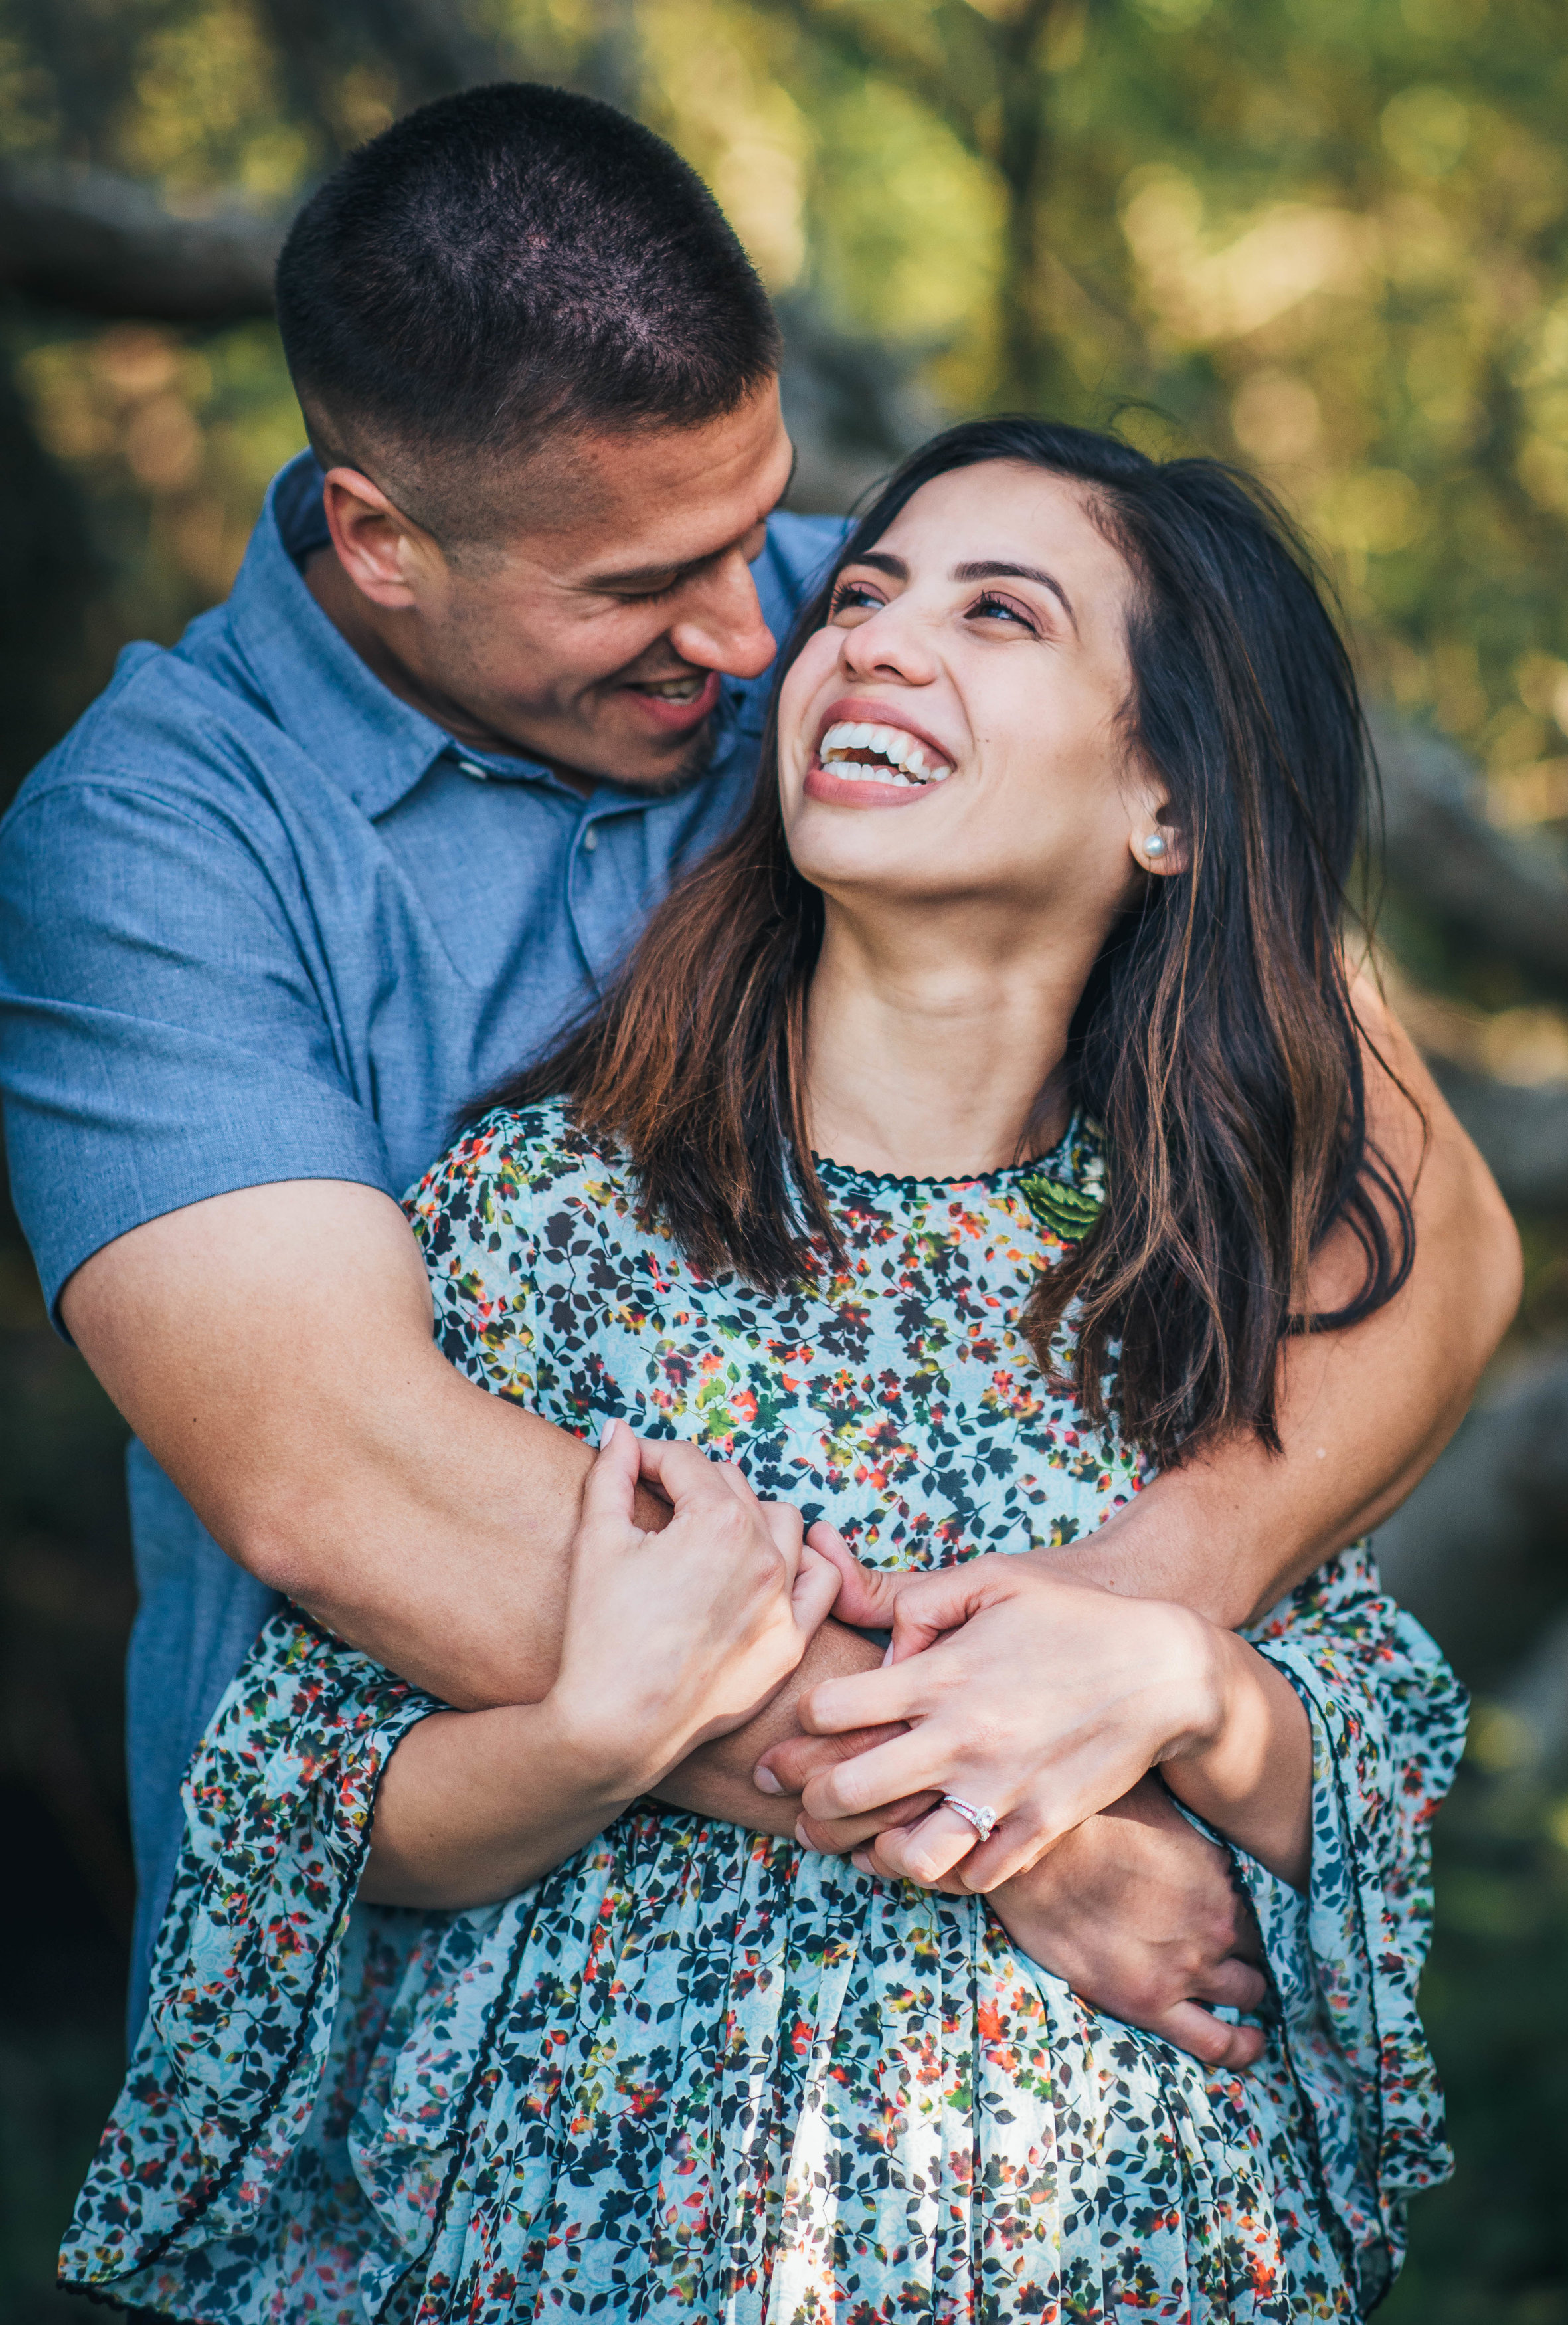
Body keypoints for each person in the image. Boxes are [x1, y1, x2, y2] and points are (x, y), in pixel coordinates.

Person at [0, 84, 1512, 2075]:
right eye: (638, 587)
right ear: (378, 537)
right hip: (437, 2045)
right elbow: (346, 1481)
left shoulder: (878, 643)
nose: (752, 627)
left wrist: (1119, 1626)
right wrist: (975, 1806)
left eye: (765, 520)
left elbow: (1437, 1231)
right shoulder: (158, 841)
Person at [65, 418, 1474, 2320]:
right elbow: (312, 1778)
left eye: (995, 614)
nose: (831, 630)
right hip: (589, 2240)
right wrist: (615, 1739)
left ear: (1172, 805)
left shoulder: (1207, 1253)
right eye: (872, 592)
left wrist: (1181, 1670)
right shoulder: (541, 1214)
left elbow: (1364, 1760)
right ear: (384, 536)